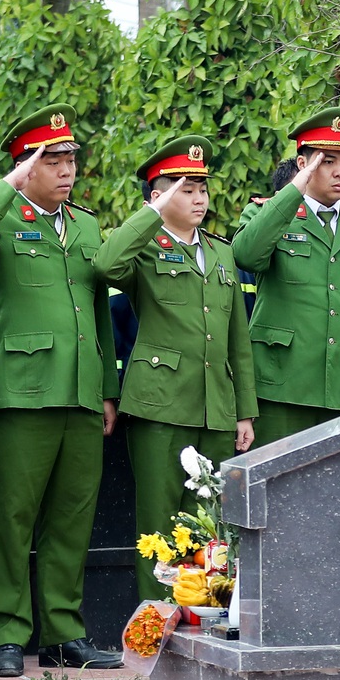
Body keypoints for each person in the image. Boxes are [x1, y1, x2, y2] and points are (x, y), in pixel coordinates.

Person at [0, 108, 123, 677]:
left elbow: (99, 309)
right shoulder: (0, 219)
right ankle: (5, 632)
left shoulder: (89, 225)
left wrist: (106, 389)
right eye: (52, 160)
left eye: (70, 159)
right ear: (26, 165)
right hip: (19, 391)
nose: (66, 170)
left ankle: (63, 632)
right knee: (12, 517)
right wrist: (10, 185)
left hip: (80, 392)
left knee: (73, 518)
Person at [96, 136, 257, 599]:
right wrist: (151, 215)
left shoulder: (222, 251)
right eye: (184, 188)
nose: (199, 198)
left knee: (211, 524)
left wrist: (243, 410)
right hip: (159, 404)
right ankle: (156, 624)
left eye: (202, 188)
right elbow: (107, 265)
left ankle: (200, 621)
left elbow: (236, 340)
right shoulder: (143, 248)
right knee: (160, 524)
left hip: (215, 407)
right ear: (158, 196)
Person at [230, 108, 340, 447]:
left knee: (338, 495)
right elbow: (245, 255)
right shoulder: (268, 212)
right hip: (279, 385)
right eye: (327, 161)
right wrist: (293, 192)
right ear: (303, 165)